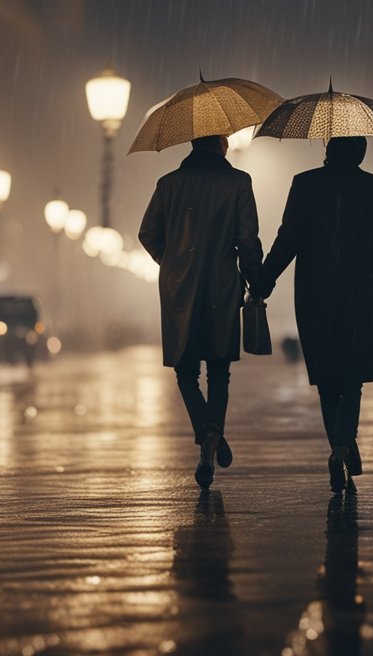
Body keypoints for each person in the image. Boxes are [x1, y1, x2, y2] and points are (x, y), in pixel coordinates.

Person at [254, 136, 373, 493]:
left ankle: (339, 446)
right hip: (358, 292)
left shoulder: (305, 183)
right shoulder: (372, 186)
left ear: (328, 150)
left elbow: (288, 239)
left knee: (327, 378)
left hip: (314, 294)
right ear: (360, 152)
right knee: (352, 378)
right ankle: (343, 445)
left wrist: (264, 280)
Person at [139, 134, 264, 490]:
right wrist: (257, 280)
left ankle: (206, 431)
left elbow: (148, 233)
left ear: (192, 143)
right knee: (219, 372)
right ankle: (213, 430)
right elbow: (247, 239)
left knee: (185, 370)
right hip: (222, 286)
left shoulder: (169, 184)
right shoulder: (239, 182)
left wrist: (174, 261)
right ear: (222, 144)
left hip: (179, 287)